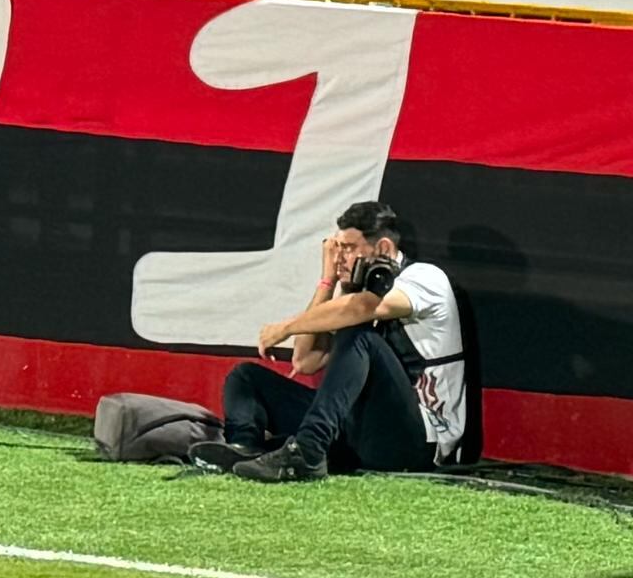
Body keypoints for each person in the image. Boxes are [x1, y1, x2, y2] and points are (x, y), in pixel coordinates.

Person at [201, 203, 469, 482]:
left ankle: (308, 450)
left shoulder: (424, 277)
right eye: (336, 247)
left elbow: (362, 309)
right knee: (247, 377)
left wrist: (286, 328)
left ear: (384, 249)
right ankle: (245, 449)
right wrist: (328, 280)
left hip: (419, 440)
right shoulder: (358, 293)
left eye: (349, 248)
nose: (339, 256)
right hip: (363, 433)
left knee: (358, 334)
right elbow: (305, 361)